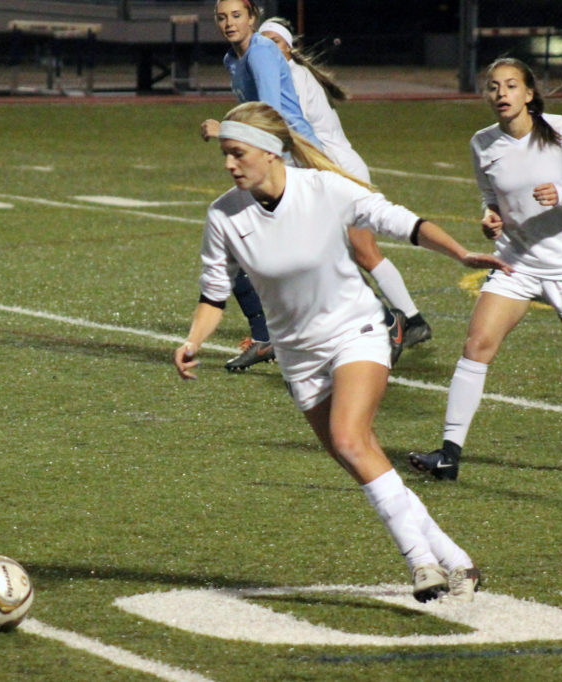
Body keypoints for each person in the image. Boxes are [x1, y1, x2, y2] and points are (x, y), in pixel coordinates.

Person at [174, 101, 511, 601]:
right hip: (298, 357)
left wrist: (460, 252)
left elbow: (401, 221)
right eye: (225, 154)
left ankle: (420, 562)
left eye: (236, 152)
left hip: (356, 332)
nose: (228, 164)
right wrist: (193, 341)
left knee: (350, 440)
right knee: (362, 457)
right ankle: (457, 559)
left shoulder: (324, 189)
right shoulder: (224, 215)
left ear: (270, 153)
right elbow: (213, 293)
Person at [408, 58, 562, 482]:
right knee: (476, 346)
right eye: (493, 87)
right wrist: (490, 219)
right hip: (515, 261)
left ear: (528, 93)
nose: (501, 94)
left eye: (510, 86)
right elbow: (490, 199)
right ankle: (448, 455)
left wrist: (561, 194)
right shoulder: (482, 143)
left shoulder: (559, 130)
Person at [202, 0, 427, 371]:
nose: (229, 23)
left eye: (236, 15)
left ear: (252, 18)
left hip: (294, 162)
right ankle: (274, 334)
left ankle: (384, 322)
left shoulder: (259, 53)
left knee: (276, 247)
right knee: (252, 243)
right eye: (222, 17)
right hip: (273, 162)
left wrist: (225, 130)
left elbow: (270, 117)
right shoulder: (233, 59)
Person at [257, 16, 432, 346]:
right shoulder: (286, 76)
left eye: (275, 42)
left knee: (363, 252)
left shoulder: (292, 77)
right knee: (334, 258)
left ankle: (408, 320)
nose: (269, 49)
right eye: (263, 43)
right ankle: (388, 320)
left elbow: (286, 129)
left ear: (289, 49)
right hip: (323, 172)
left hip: (337, 171)